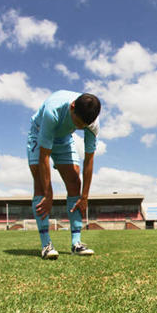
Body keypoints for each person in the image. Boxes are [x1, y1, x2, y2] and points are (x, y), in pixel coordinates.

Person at [27, 90, 101, 259]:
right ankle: (46, 245)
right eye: (77, 122)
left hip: (63, 138)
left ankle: (76, 243)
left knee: (75, 182)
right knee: (40, 185)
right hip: (39, 133)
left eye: (83, 126)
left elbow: (89, 160)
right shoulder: (53, 111)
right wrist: (48, 193)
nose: (80, 127)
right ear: (72, 107)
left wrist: (85, 197)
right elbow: (44, 155)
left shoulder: (92, 123)